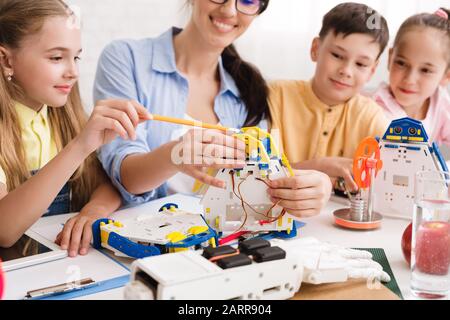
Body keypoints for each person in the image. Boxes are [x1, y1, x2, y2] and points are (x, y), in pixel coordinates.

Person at [94, 0, 332, 218]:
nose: (229, 10)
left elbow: (257, 180)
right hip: (136, 236)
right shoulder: (126, 58)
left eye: (247, 1)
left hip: (213, 244)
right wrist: (173, 155)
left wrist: (317, 183)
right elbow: (124, 177)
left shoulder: (249, 88)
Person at [0, 0, 151, 256]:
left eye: (76, 57)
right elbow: (4, 230)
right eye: (57, 57)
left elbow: (108, 183)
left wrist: (94, 211)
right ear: (6, 60)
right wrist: (80, 146)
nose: (73, 72)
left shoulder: (64, 117)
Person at [268, 2, 390, 192]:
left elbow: (386, 182)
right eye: (337, 55)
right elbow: (257, 174)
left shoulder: (371, 117)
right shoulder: (276, 96)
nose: (346, 71)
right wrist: (319, 167)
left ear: (372, 71)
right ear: (316, 49)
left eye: (361, 64)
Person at [373, 8, 450, 147]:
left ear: (447, 75)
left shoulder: (442, 103)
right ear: (391, 58)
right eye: (401, 63)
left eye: (425, 70)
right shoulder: (375, 109)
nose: (409, 79)